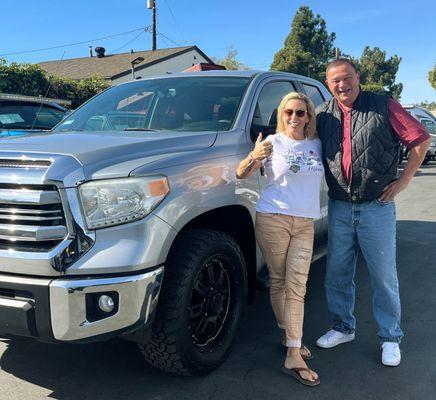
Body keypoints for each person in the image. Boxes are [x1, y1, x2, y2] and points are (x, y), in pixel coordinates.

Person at [316, 58, 431, 367]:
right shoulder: (323, 116)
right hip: (339, 205)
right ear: (328, 85)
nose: (342, 85)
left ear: (358, 77)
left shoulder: (383, 105)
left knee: (383, 277)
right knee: (337, 274)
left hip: (376, 207)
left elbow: (421, 140)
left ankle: (391, 337)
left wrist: (403, 180)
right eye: (335, 81)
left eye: (346, 78)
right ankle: (343, 328)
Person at [237, 92, 324, 386]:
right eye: (288, 112)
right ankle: (292, 339)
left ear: (309, 116)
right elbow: (241, 173)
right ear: (281, 115)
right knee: (278, 280)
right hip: (272, 219)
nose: (294, 118)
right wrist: (254, 155)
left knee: (297, 285)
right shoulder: (272, 142)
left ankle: (293, 349)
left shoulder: (316, 144)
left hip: (305, 223)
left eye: (300, 113)